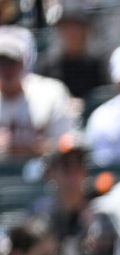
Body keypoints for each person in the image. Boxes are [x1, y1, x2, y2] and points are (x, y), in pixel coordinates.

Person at [31, 132, 115, 255]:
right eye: (66, 167)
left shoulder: (100, 210)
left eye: (78, 166)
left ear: (85, 171)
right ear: (51, 172)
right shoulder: (41, 213)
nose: (73, 175)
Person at [0, 26, 75, 158]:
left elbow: (67, 144)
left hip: (43, 168)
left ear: (24, 62)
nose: (6, 69)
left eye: (12, 62)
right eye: (1, 62)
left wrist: (33, 148)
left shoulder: (51, 92)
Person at [35, 5, 107, 101]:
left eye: (76, 28)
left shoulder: (98, 67)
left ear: (86, 31)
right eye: (66, 28)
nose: (72, 33)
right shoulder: (47, 68)